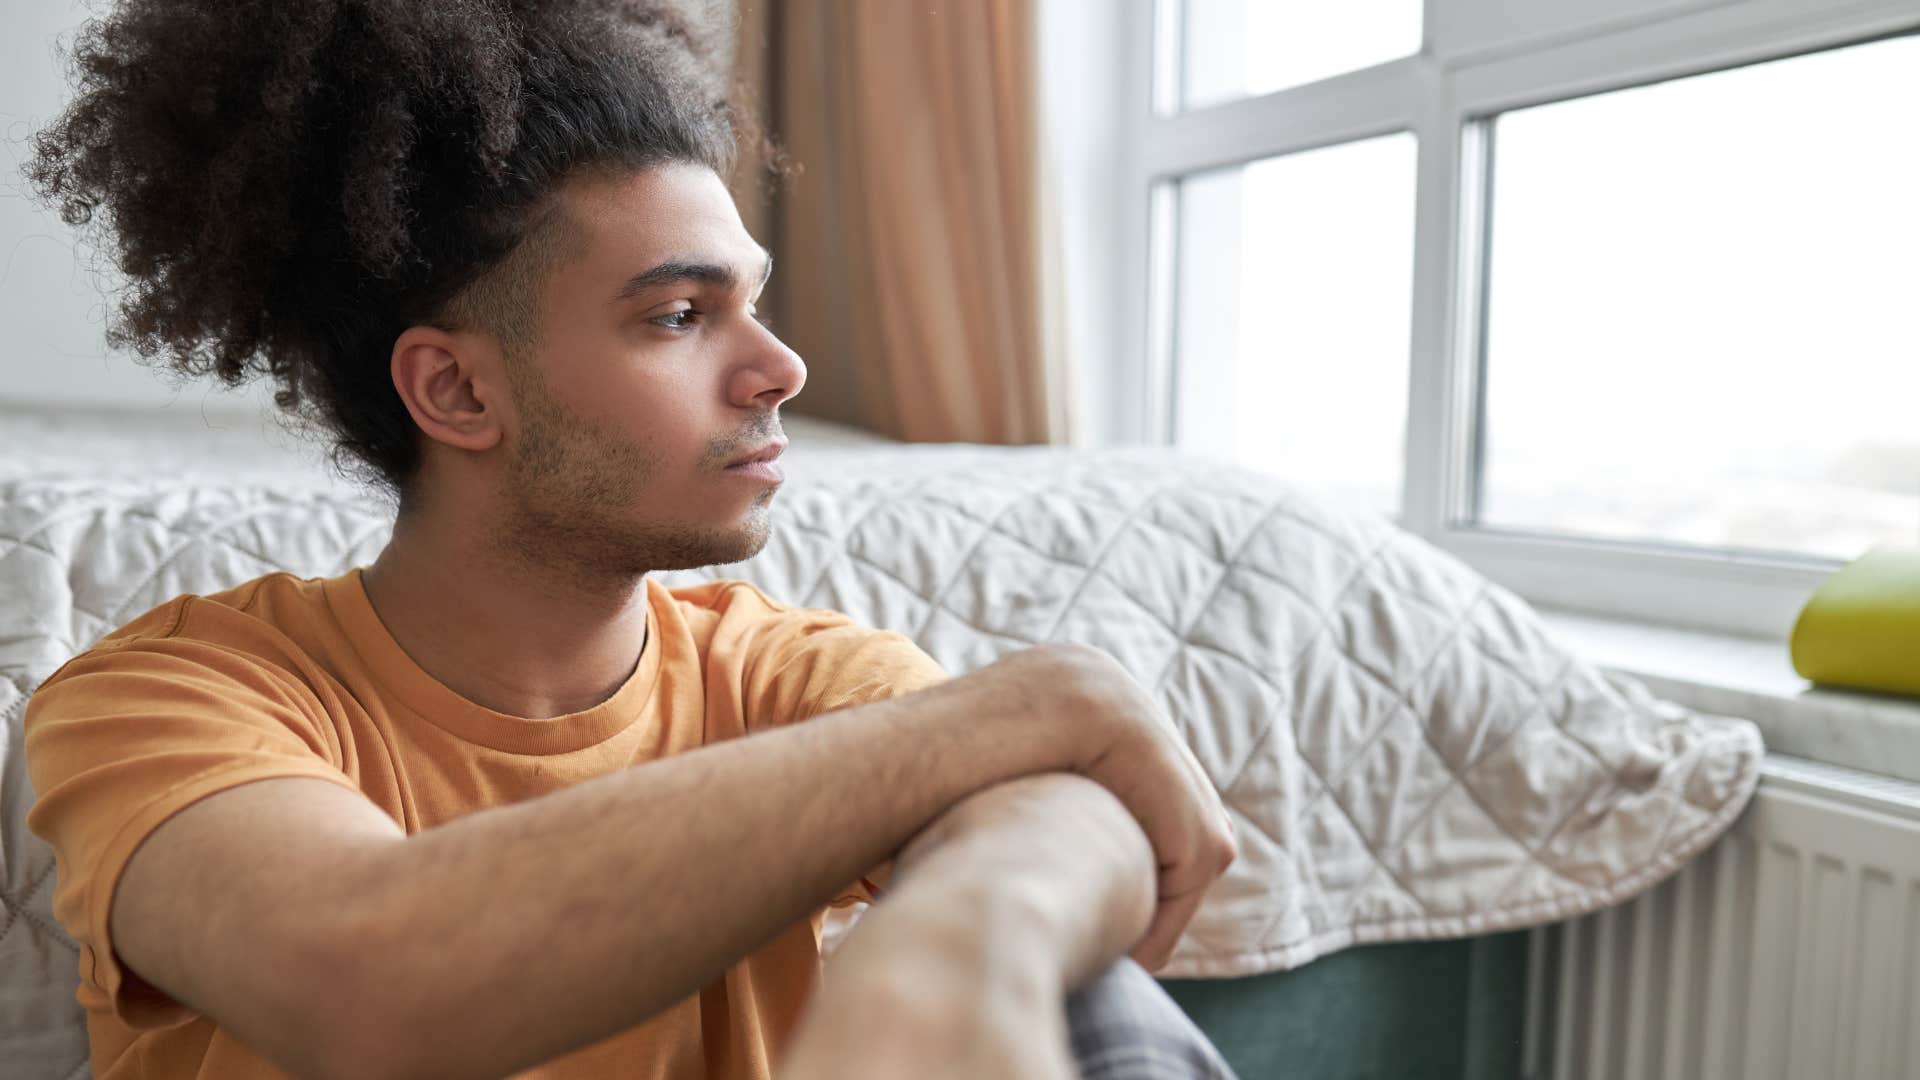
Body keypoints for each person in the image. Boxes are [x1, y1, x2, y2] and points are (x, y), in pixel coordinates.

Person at [21, 3, 1237, 1078]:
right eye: (677, 315)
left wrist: (954, 948)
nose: (779, 367)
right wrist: (1021, 710)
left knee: (1099, 1010)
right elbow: (371, 984)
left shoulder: (782, 673)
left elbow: (1061, 819)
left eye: (750, 301)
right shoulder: (160, 698)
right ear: (456, 394)